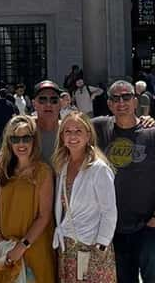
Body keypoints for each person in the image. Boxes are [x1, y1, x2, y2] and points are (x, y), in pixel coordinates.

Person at [94, 80, 155, 283]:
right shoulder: (98, 129)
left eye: (126, 97)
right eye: (115, 98)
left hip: (148, 227)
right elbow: (69, 127)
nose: (121, 102)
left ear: (135, 101)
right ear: (109, 104)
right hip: (113, 228)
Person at [52, 111, 116, 283]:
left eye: (78, 131)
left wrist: (101, 245)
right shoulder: (63, 165)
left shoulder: (99, 168)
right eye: (68, 131)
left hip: (92, 245)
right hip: (68, 246)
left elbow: (109, 211)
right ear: (62, 136)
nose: (73, 136)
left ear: (88, 135)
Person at [0, 115, 56, 283]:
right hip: (6, 252)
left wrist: (22, 246)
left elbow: (44, 216)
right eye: (15, 139)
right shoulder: (5, 170)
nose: (21, 144)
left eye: (26, 138)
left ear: (33, 140)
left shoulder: (43, 172)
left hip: (34, 249)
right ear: (9, 142)